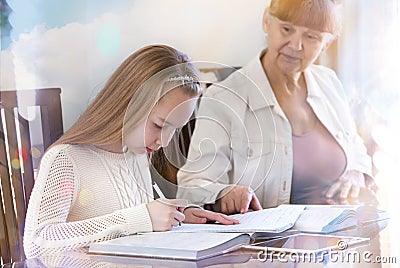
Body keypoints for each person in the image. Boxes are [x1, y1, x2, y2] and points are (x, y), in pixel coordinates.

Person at [24, 44, 237, 258]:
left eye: (175, 129)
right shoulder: (65, 159)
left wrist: (178, 218)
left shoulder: (136, 156)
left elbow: (133, 228)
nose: (164, 141)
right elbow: (36, 242)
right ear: (129, 103)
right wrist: (140, 217)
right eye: (160, 125)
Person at [177, 0, 377, 214]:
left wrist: (357, 173)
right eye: (286, 29)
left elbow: (354, 146)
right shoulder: (223, 98)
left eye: (311, 37)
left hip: (341, 233)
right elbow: (192, 187)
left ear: (325, 44)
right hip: (271, 242)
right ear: (266, 22)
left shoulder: (329, 82)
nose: (296, 45)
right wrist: (222, 195)